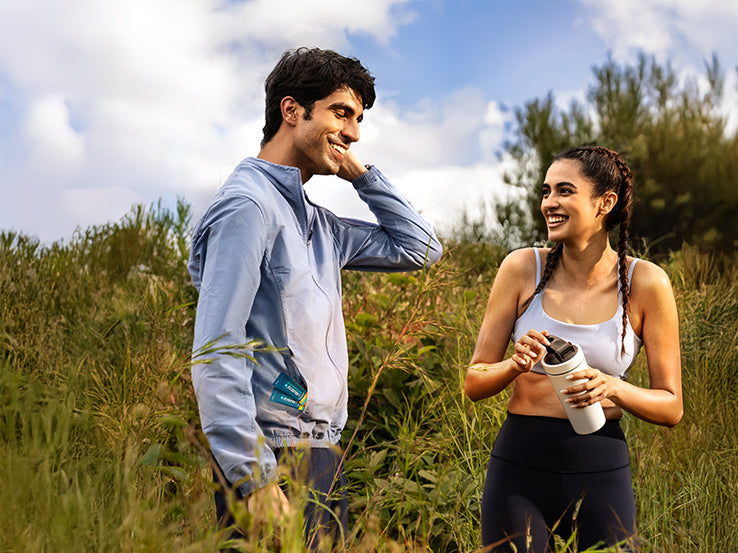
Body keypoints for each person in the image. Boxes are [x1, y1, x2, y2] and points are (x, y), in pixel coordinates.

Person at [188, 47, 443, 549]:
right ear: (291, 111)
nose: (353, 133)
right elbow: (216, 351)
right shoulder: (247, 206)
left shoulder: (318, 223)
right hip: (271, 457)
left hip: (322, 452)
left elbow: (420, 247)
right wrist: (254, 479)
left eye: (358, 120)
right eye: (341, 113)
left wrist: (363, 177)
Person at [464, 146, 682, 552]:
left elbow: (671, 407)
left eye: (564, 191)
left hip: (600, 466)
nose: (550, 203)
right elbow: (474, 382)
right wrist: (514, 365)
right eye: (546, 192)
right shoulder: (521, 268)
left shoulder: (647, 284)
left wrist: (612, 387)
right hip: (519, 466)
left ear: (605, 203)